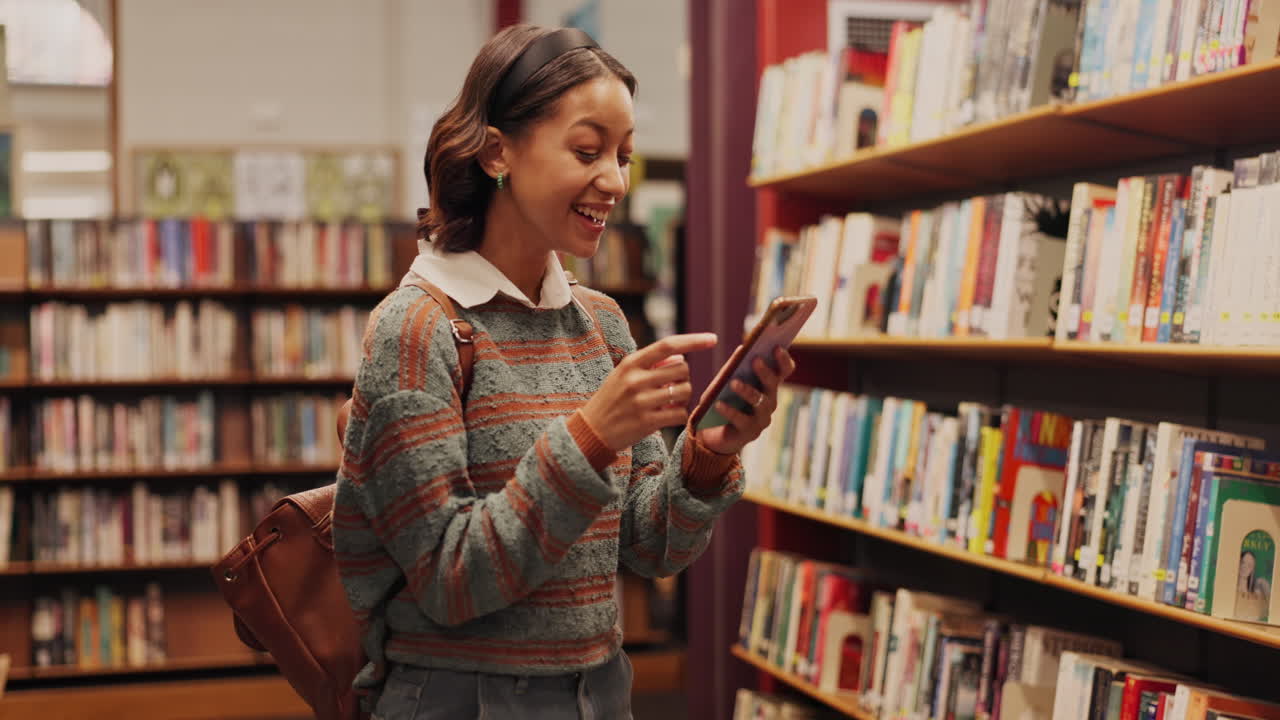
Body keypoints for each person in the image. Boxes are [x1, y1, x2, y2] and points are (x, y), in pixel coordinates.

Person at [333, 23, 795, 720]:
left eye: (624, 154)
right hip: (462, 700)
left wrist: (707, 456)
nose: (615, 180)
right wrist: (588, 437)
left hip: (598, 691)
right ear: (498, 153)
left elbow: (648, 545)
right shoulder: (416, 328)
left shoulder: (599, 322)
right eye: (588, 150)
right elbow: (449, 578)